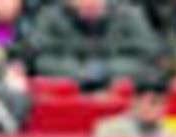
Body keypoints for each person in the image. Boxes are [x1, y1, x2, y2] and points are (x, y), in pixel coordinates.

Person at [27, 0, 165, 91]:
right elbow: (38, 57)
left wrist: (104, 70)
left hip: (119, 85)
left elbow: (149, 53)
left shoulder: (129, 14)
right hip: (68, 87)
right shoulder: (49, 16)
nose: (89, 2)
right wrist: (81, 73)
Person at [92, 68, 176, 137]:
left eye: (163, 103)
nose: (159, 108)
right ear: (135, 101)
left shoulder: (171, 136)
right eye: (153, 102)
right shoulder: (109, 129)